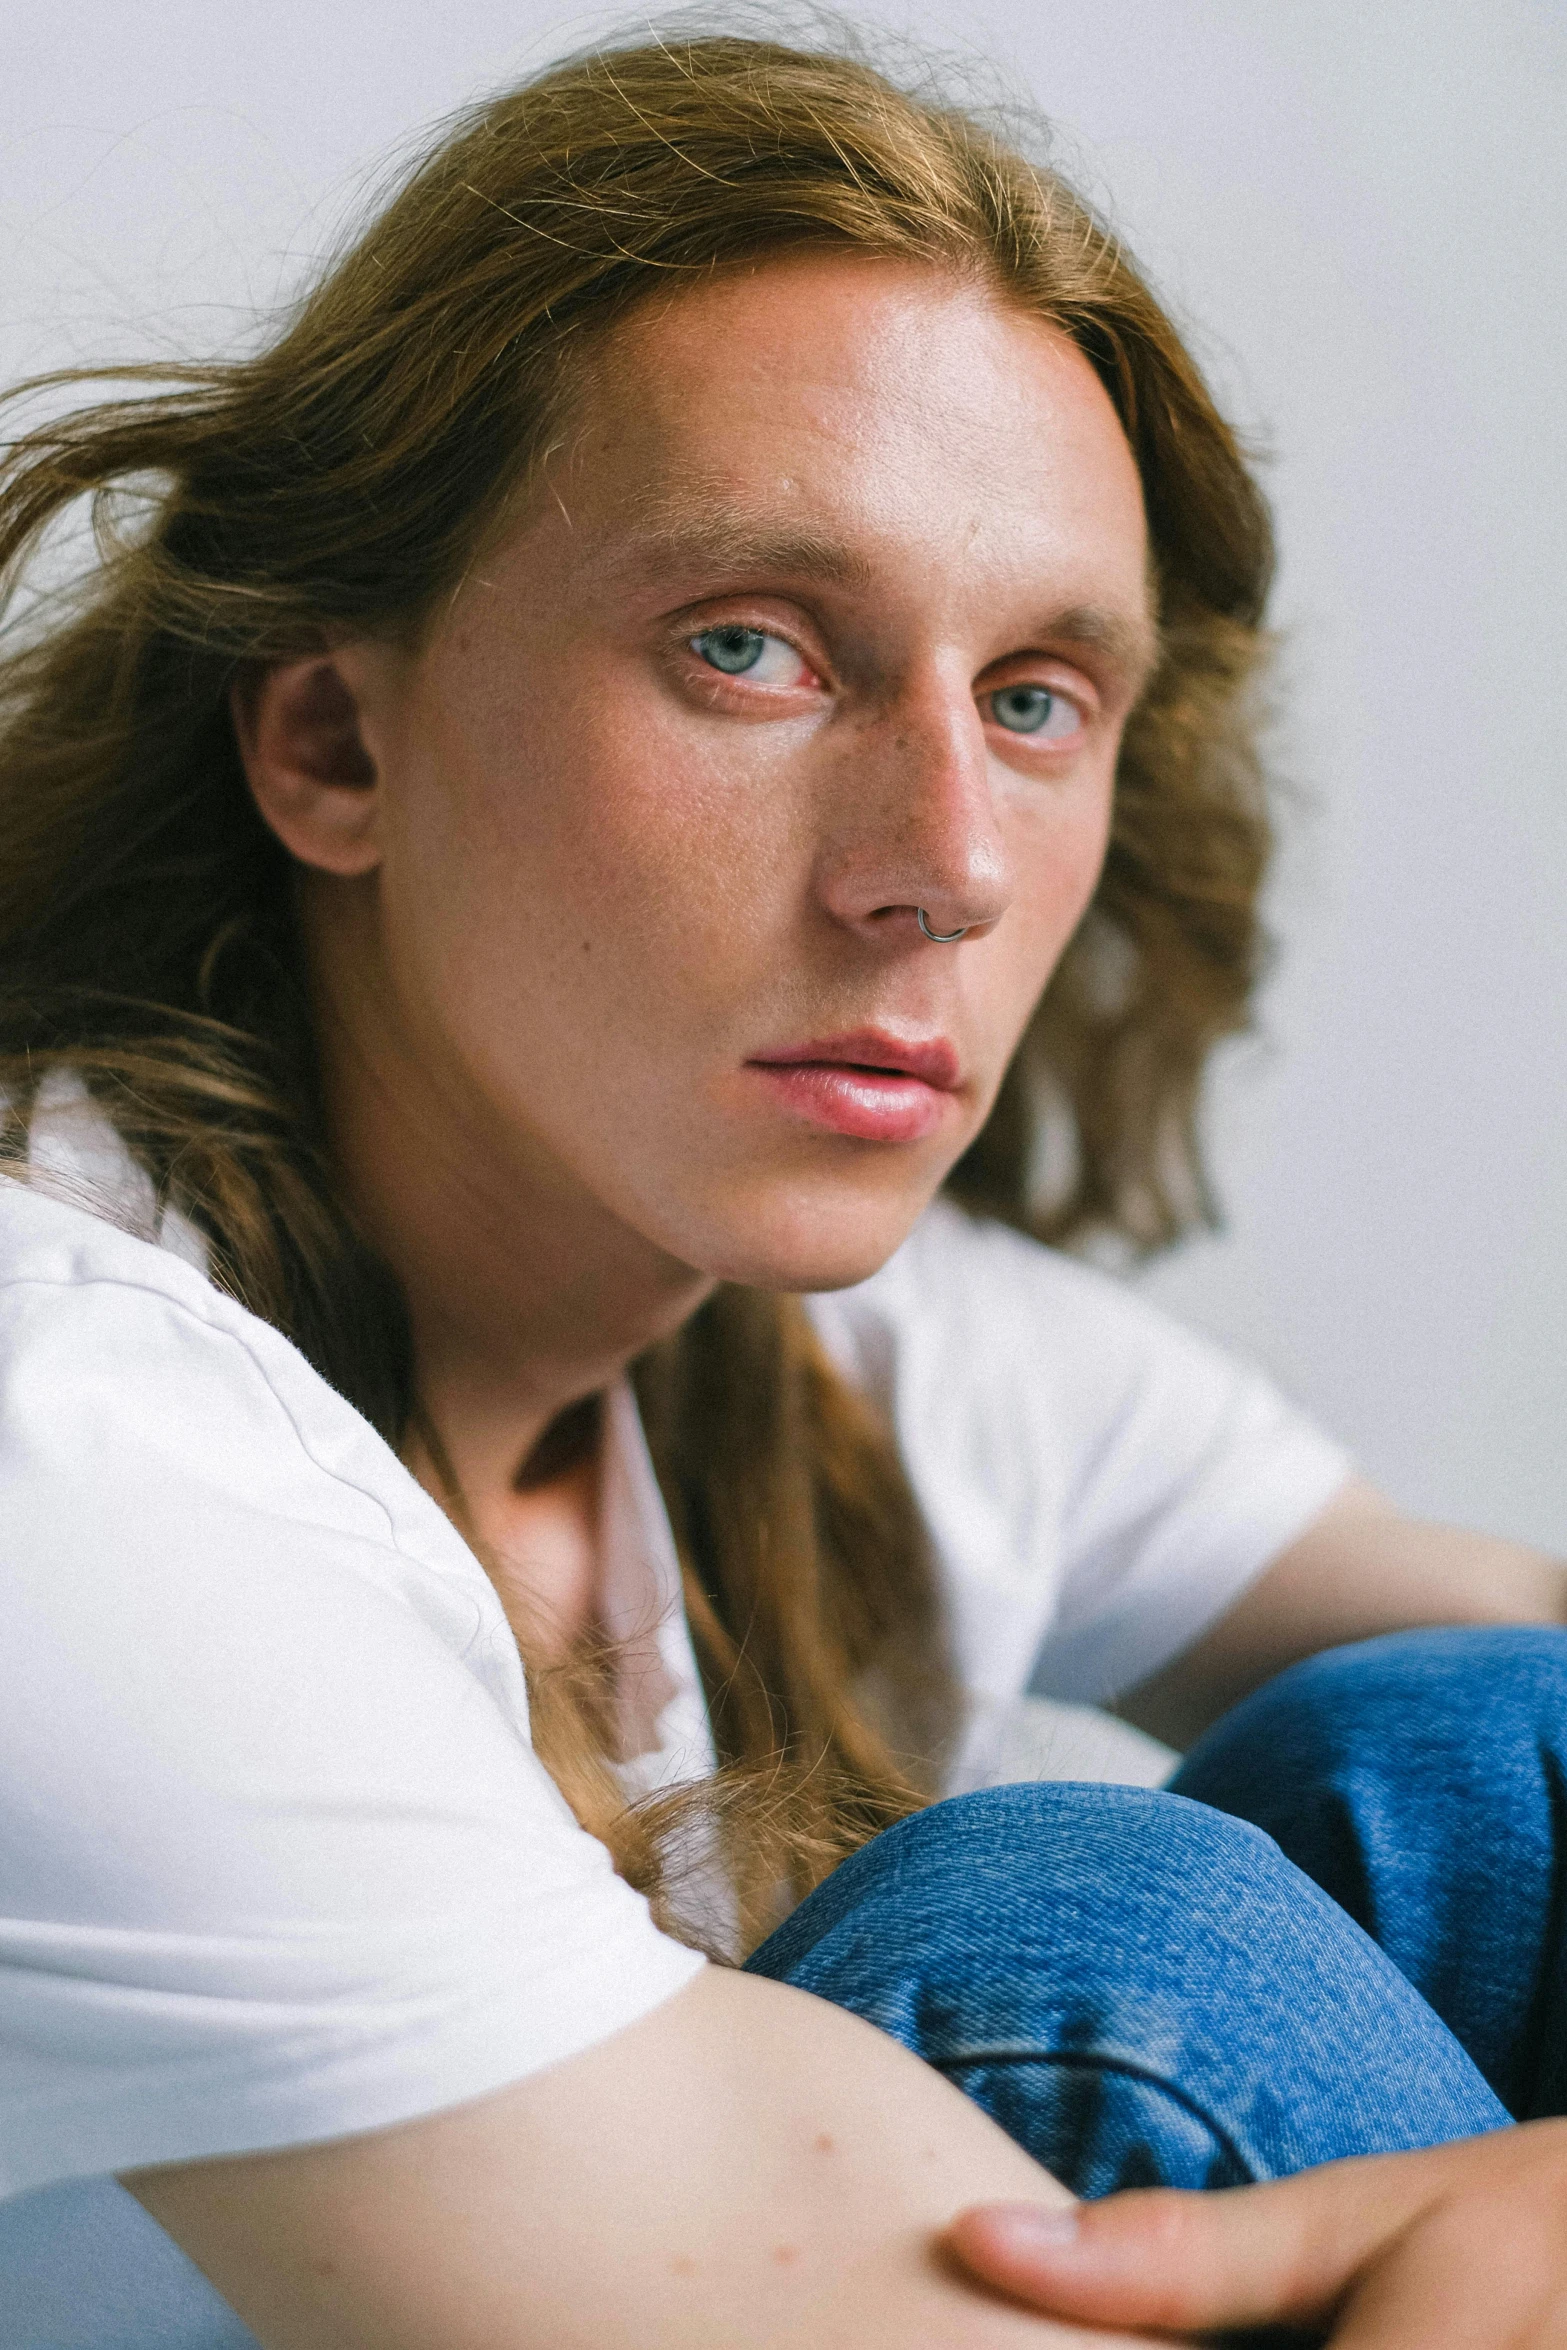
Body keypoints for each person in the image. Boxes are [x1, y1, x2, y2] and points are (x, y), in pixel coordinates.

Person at [0, 26, 1562, 2349]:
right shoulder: (81, 1463)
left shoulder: (844, 1335)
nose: (941, 864)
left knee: (1476, 1749)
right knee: (1090, 1945)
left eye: (1035, 694)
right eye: (750, 647)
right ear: (332, 736)